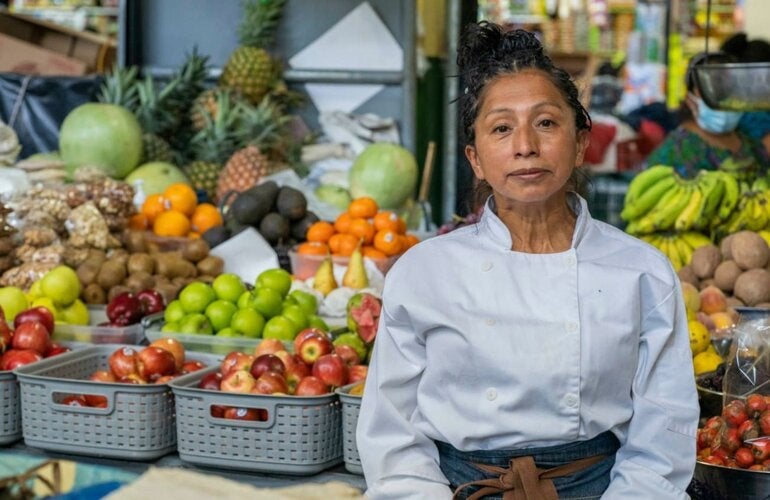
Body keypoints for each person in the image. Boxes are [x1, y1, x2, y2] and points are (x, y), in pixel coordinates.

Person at [356, 21, 699, 500]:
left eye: (545, 122)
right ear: (475, 158)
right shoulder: (424, 272)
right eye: (502, 128)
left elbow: (664, 428)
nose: (525, 146)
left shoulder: (641, 272)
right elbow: (392, 433)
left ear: (581, 142)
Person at [644, 51, 770, 179]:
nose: (723, 100)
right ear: (690, 97)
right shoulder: (671, 155)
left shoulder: (752, 147)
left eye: (731, 89)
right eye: (714, 89)